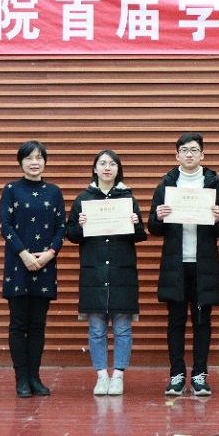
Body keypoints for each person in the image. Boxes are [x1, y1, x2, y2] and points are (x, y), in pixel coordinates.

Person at [148, 132, 219, 396]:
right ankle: (176, 375)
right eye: (184, 150)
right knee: (175, 321)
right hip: (176, 265)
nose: (189, 154)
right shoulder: (166, 185)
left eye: (194, 150)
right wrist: (158, 217)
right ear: (177, 155)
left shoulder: (214, 186)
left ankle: (199, 376)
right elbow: (152, 228)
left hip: (203, 265)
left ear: (202, 154)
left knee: (202, 321)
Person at [66, 149, 147, 396]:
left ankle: (118, 376)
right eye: (102, 163)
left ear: (118, 169)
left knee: (122, 329)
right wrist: (80, 225)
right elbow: (71, 235)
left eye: (112, 164)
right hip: (94, 274)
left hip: (122, 273)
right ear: (95, 169)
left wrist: (135, 223)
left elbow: (141, 235)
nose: (107, 168)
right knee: (97, 330)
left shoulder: (127, 198)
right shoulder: (84, 199)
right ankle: (101, 376)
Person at [0, 140, 66, 398]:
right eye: (29, 158)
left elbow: (61, 227)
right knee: (18, 324)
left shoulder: (54, 192)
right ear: (21, 162)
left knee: (38, 325)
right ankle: (21, 379)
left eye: (38, 157)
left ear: (45, 162)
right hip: (18, 265)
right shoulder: (11, 190)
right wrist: (24, 254)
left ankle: (35, 378)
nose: (34, 162)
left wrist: (50, 254)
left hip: (45, 266)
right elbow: (5, 225)